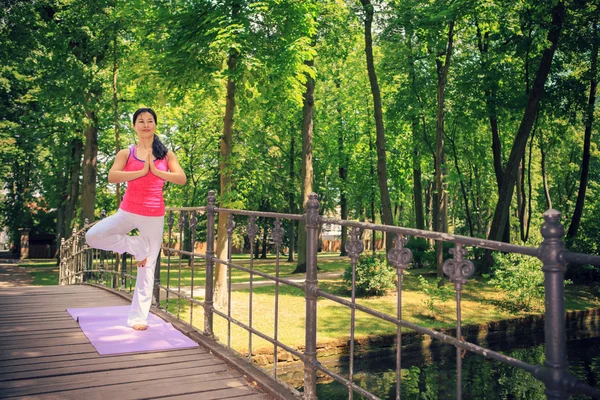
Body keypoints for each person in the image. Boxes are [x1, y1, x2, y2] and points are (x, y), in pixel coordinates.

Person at [86, 107, 186, 331]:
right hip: (128, 211)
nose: (146, 124)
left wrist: (157, 171)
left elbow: (181, 179)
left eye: (150, 121)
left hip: (153, 215)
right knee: (93, 236)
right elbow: (113, 176)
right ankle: (137, 246)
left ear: (155, 125)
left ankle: (138, 318)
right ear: (134, 126)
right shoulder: (126, 153)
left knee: (147, 268)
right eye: (140, 121)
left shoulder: (166, 154)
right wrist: (141, 171)